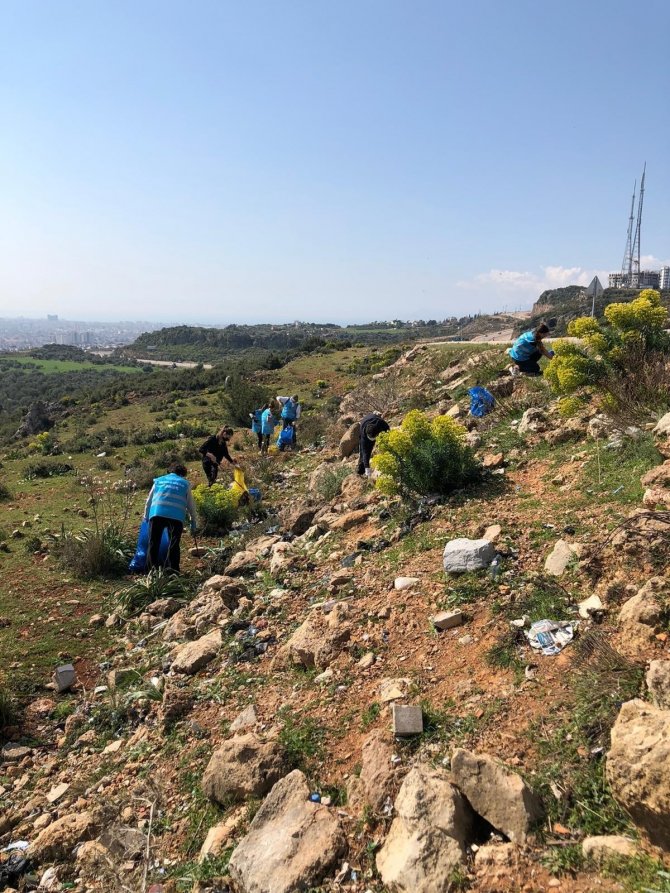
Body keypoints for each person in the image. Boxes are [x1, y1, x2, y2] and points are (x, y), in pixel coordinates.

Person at [143, 463, 197, 573]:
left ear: (169, 472)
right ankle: (173, 571)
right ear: (183, 474)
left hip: (157, 513)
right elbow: (191, 504)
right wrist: (193, 520)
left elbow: (149, 500)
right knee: (174, 544)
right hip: (176, 517)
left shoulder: (158, 481)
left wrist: (146, 517)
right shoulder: (185, 484)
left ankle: (150, 572)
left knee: (153, 543)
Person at [357, 412, 390, 476]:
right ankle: (361, 472)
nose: (373, 440)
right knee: (364, 453)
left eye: (373, 438)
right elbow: (365, 452)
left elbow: (388, 430)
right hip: (364, 423)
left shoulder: (381, 424)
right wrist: (367, 468)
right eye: (371, 438)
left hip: (376, 423)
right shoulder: (364, 435)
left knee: (386, 446)